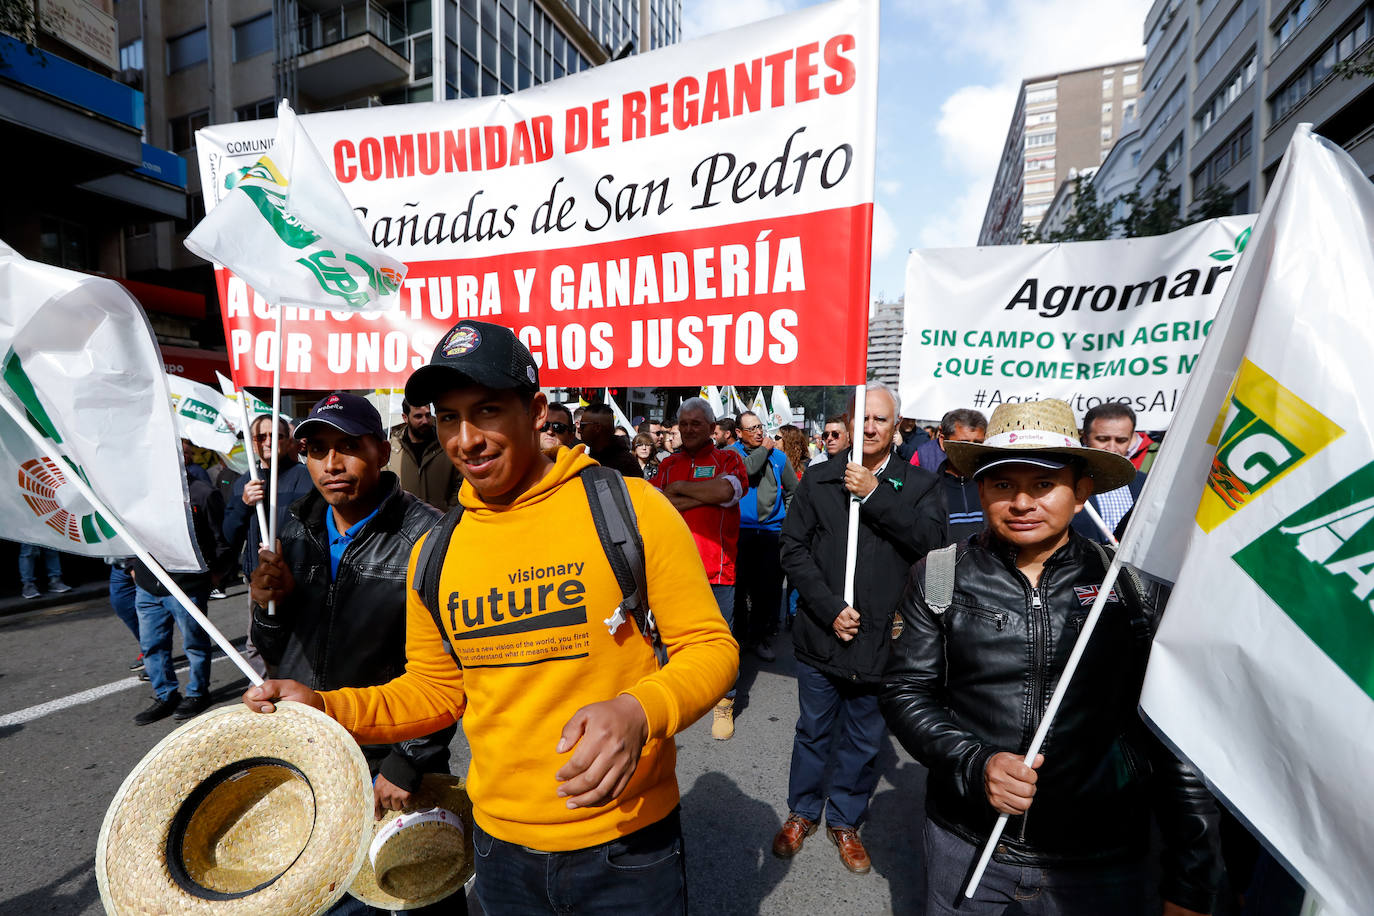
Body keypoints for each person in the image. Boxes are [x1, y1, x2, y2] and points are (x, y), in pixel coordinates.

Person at [244, 320, 738, 915]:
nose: (467, 440)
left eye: (487, 411)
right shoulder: (436, 551)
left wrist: (639, 711)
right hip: (500, 853)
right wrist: (325, 706)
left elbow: (711, 647)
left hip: (627, 845)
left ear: (536, 412)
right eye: (449, 418)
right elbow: (434, 690)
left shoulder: (628, 506)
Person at [881, 398, 1219, 916]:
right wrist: (976, 763)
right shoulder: (940, 573)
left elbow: (1177, 736)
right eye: (1003, 484)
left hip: (1100, 855)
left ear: (1081, 492)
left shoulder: (1131, 584)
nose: (1022, 502)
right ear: (981, 489)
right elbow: (906, 691)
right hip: (967, 841)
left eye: (1043, 484)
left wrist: (1193, 878)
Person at [248, 392, 461, 916]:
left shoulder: (429, 536)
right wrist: (267, 607)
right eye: (317, 450)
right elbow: (275, 652)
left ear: (381, 451)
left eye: (348, 447)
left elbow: (450, 668)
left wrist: (409, 761)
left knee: (411, 894)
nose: (332, 464)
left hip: (387, 762)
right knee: (329, 896)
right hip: (311, 757)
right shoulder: (293, 528)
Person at [773, 382, 946, 874]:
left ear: (896, 427)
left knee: (864, 740)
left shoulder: (919, 486)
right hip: (822, 632)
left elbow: (935, 547)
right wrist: (829, 607)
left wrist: (874, 495)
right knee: (812, 731)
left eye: (880, 420)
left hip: (882, 642)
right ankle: (803, 811)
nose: (870, 428)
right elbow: (793, 549)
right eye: (862, 418)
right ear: (849, 424)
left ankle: (845, 820)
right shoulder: (820, 477)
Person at [649, 397, 748, 740]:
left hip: (717, 569)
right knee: (669, 638)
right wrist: (703, 495)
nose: (689, 429)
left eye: (696, 423)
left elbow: (726, 490)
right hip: (671, 571)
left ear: (711, 428)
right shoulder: (667, 464)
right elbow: (656, 504)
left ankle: (724, 701)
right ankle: (673, 697)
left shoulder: (729, 459)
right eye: (684, 423)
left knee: (721, 641)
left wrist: (679, 491)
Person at [132, 457, 229, 724]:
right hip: (148, 585)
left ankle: (198, 693)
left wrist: (216, 575)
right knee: (152, 645)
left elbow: (221, 539)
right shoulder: (144, 492)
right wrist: (132, 565)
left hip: (187, 586)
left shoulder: (203, 493)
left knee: (195, 644)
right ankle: (165, 695)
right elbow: (131, 528)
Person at [222, 413, 314, 676]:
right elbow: (229, 536)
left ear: (289, 441)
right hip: (259, 581)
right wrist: (243, 504)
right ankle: (264, 694)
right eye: (261, 436)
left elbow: (318, 528)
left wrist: (284, 546)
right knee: (258, 644)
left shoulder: (306, 477)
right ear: (252, 443)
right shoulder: (244, 482)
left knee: (300, 645)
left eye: (276, 436)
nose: (268, 441)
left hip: (299, 579)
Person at [730, 411, 798, 661]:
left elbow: (793, 491)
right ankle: (738, 636)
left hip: (770, 532)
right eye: (752, 429)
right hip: (739, 531)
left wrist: (785, 522)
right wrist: (764, 450)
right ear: (739, 433)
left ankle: (759, 638)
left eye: (760, 427)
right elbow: (746, 470)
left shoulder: (779, 457)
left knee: (765, 588)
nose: (759, 432)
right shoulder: (731, 455)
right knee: (738, 587)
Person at [1071, 402, 1149, 544]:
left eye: (1121, 440)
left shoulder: (1145, 483)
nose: (1112, 448)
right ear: (1085, 438)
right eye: (1102, 439)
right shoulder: (1067, 481)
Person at [388, 398, 462, 511]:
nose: (425, 421)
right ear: (405, 418)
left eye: (427, 415)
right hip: (405, 520)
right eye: (418, 416)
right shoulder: (392, 450)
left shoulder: (447, 443)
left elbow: (460, 482)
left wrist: (450, 512)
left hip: (443, 519)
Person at [930, 410, 989, 542]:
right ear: (943, 441)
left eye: (977, 443)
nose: (971, 449)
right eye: (964, 443)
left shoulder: (993, 486)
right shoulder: (928, 489)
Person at [578, 403, 644, 478]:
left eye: (582, 425)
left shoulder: (627, 465)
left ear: (597, 428)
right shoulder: (586, 459)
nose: (579, 430)